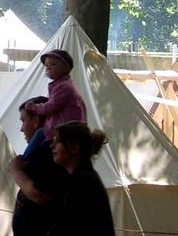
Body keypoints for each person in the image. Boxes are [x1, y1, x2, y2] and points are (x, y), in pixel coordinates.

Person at [9, 96, 69, 236]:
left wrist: (17, 171)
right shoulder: (40, 151)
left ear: (36, 121)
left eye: (24, 121)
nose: (21, 129)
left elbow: (40, 195)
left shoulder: (49, 152)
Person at [48, 121, 115, 236]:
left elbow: (67, 228)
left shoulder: (83, 183)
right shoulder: (84, 178)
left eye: (58, 141)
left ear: (74, 148)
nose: (51, 145)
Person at [24, 49, 86, 146]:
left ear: (65, 68)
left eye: (53, 65)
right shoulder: (59, 85)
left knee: (39, 139)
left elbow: (51, 107)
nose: (48, 68)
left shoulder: (64, 86)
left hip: (65, 133)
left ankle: (25, 159)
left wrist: (34, 107)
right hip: (61, 131)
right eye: (46, 66)